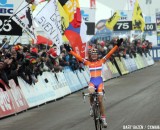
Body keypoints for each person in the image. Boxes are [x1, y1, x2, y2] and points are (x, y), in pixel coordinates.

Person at [64, 39, 123, 128]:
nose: (94, 56)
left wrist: (117, 46)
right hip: (92, 82)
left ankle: (103, 119)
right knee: (91, 92)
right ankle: (92, 107)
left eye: (95, 54)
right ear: (91, 56)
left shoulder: (101, 61)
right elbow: (78, 57)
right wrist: (70, 51)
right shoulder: (88, 62)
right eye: (92, 54)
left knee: (100, 100)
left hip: (99, 82)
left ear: (97, 55)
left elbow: (110, 53)